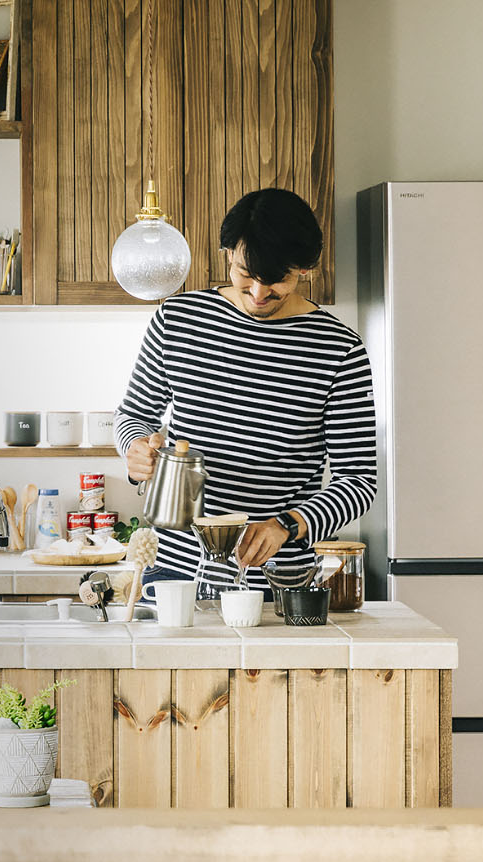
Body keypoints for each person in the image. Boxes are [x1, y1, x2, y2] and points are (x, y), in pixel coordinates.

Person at [115, 187, 377, 591]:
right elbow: (134, 415)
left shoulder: (339, 349)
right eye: (246, 275)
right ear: (227, 254)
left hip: (277, 581)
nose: (258, 294)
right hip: (174, 573)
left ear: (305, 269)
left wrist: (288, 525)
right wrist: (135, 448)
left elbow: (358, 480)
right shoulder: (177, 320)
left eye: (278, 281)